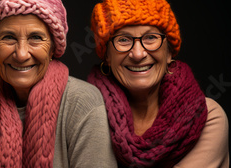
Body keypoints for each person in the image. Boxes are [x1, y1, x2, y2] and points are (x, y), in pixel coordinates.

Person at [0, 0, 117, 167]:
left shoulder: (82, 102)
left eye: (35, 37)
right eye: (8, 37)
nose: (21, 54)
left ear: (53, 47)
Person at [87, 0, 229, 167]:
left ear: (169, 52)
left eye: (151, 38)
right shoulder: (85, 115)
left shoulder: (207, 117)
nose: (138, 54)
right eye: (123, 40)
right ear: (107, 56)